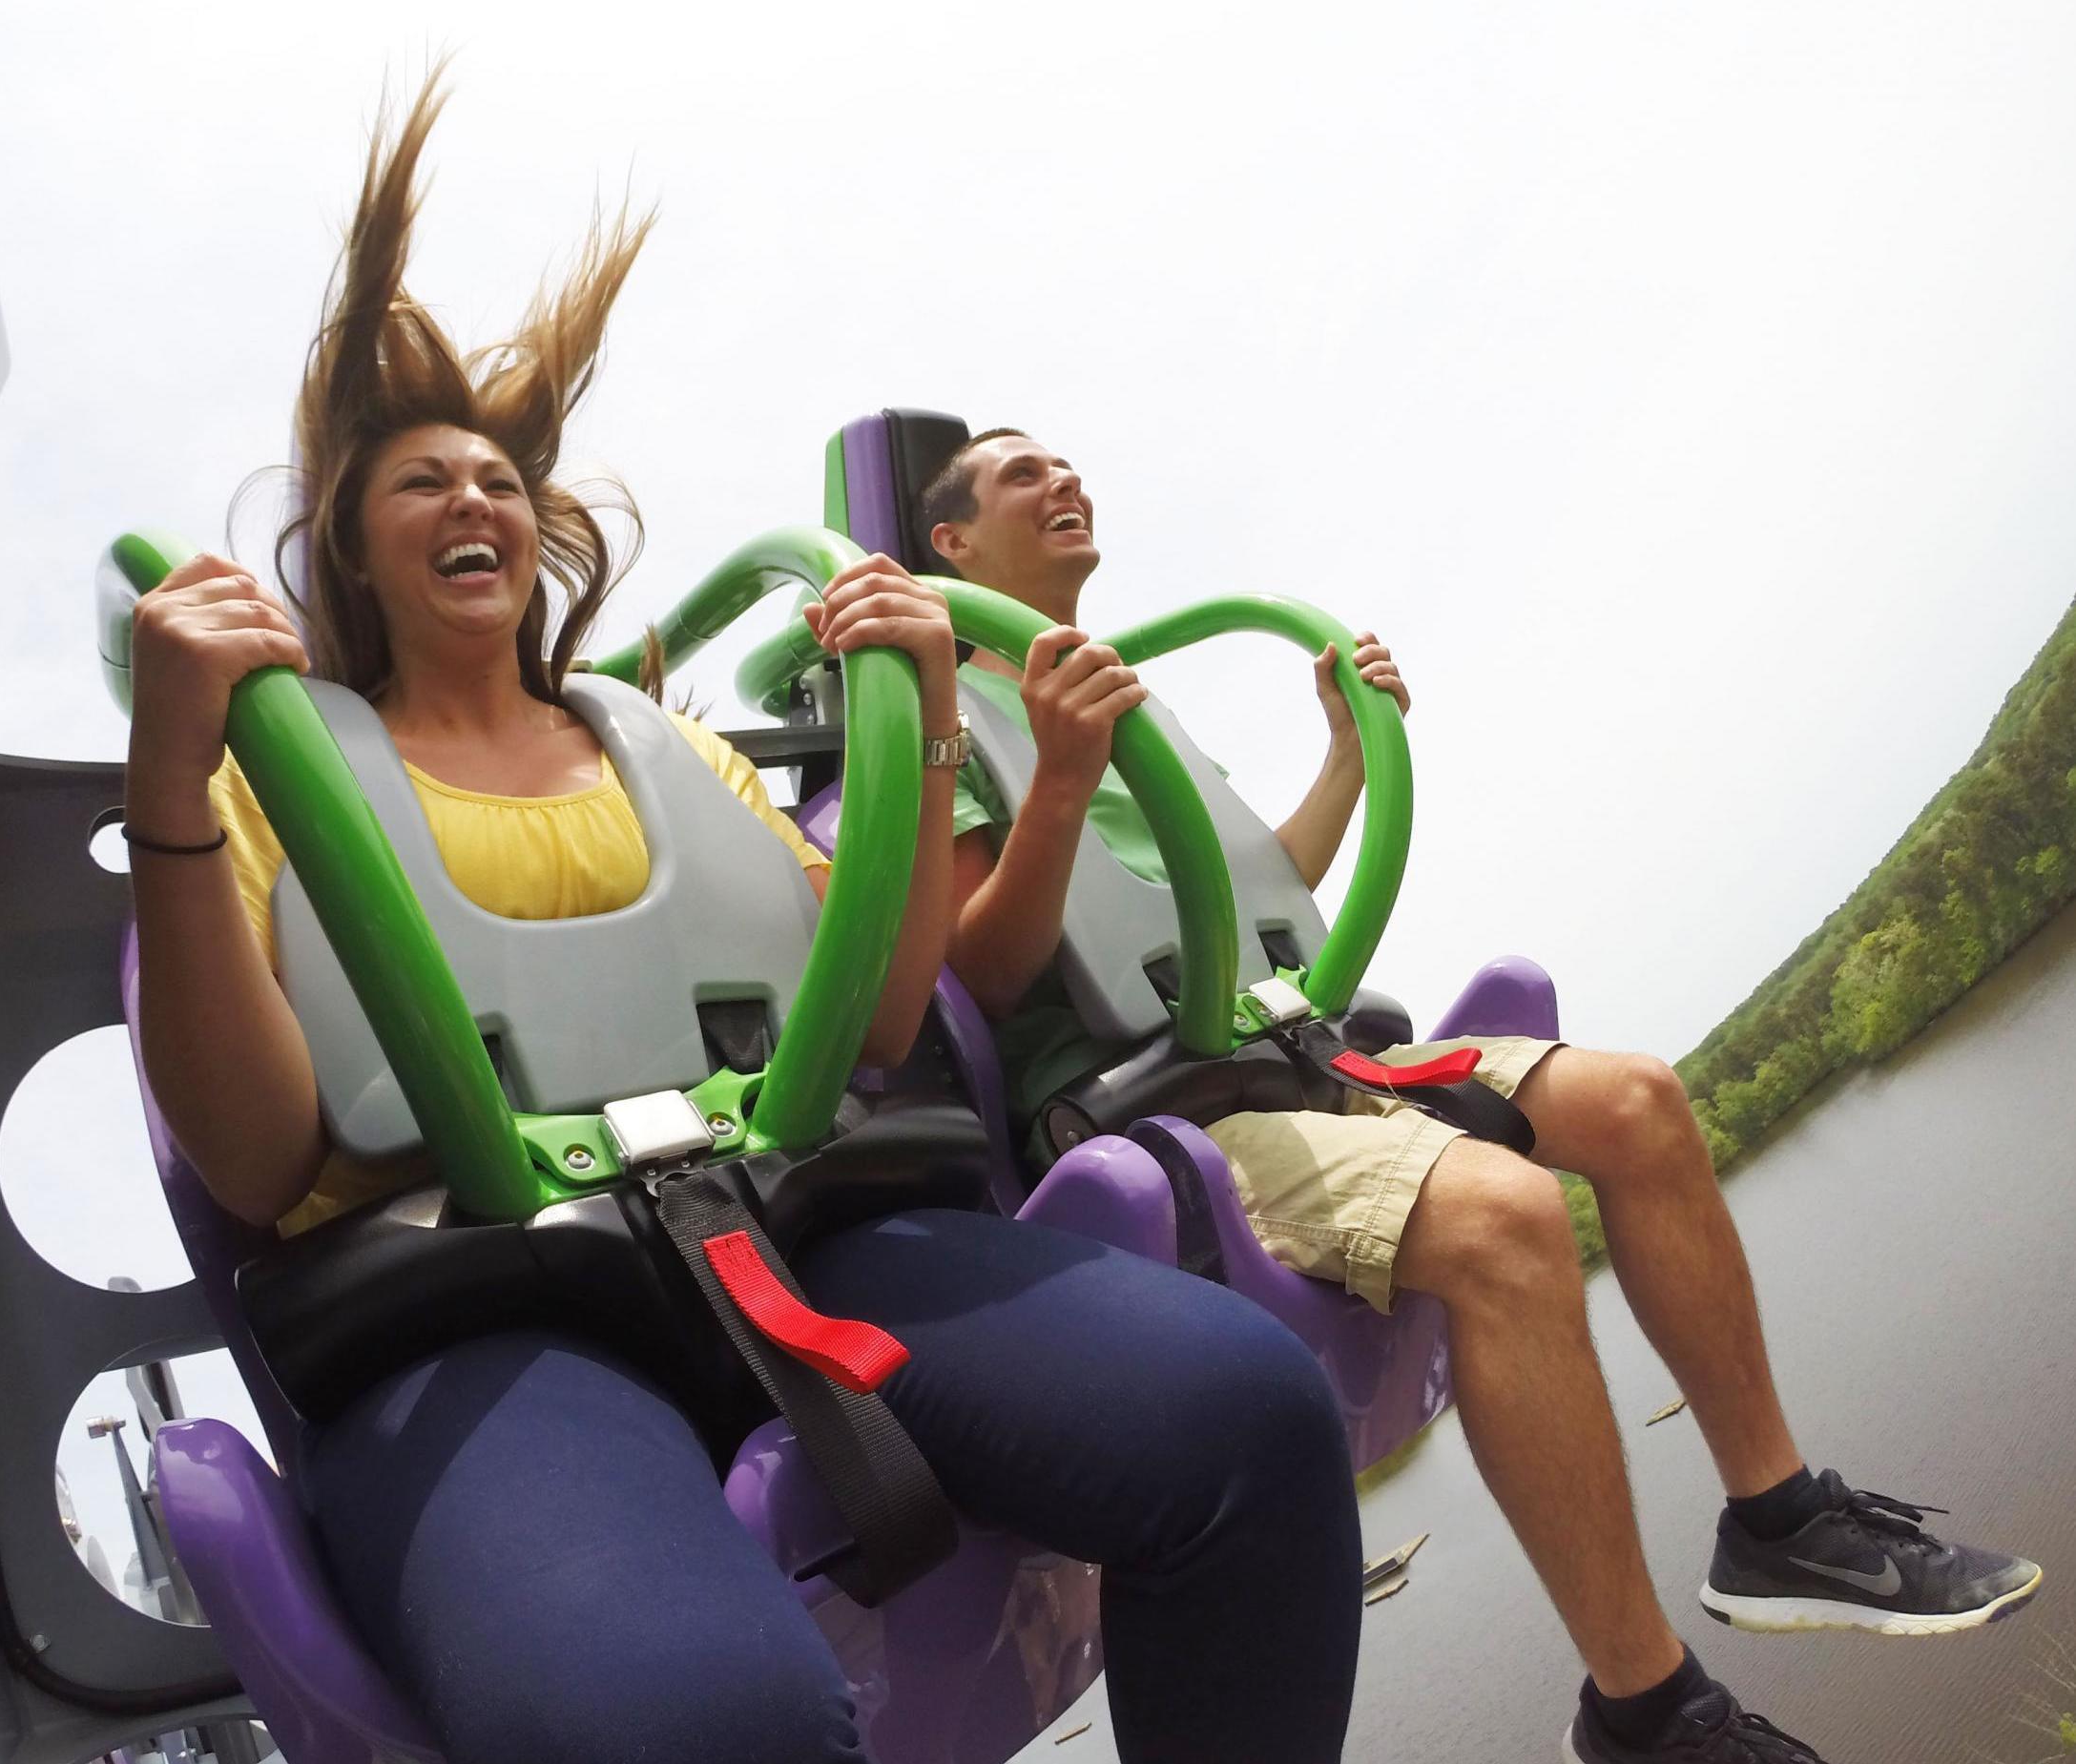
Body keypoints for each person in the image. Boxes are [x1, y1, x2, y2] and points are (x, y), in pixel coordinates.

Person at [124, 79, 1364, 1764]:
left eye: (496, 477)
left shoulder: (679, 751)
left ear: (542, 534)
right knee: (692, 1719)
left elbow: (871, 1015)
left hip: (801, 1224)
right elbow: (261, 1161)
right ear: (346, 538)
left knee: (1245, 1414)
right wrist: (173, 788)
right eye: (418, 483)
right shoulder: (278, 787)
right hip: (475, 1311)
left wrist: (923, 716)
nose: (470, 500)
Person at [925, 425, 2044, 1764]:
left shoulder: (1134, 702)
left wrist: (1344, 751)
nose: (1063, 480)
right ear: (950, 544)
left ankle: (1778, 1520)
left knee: (1636, 1100)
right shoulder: (942, 728)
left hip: (1298, 1050)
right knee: (1508, 1219)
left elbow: (1265, 892)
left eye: (1066, 462)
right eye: (1018, 475)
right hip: (1166, 1112)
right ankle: (1644, 1710)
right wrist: (1051, 780)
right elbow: (973, 976)